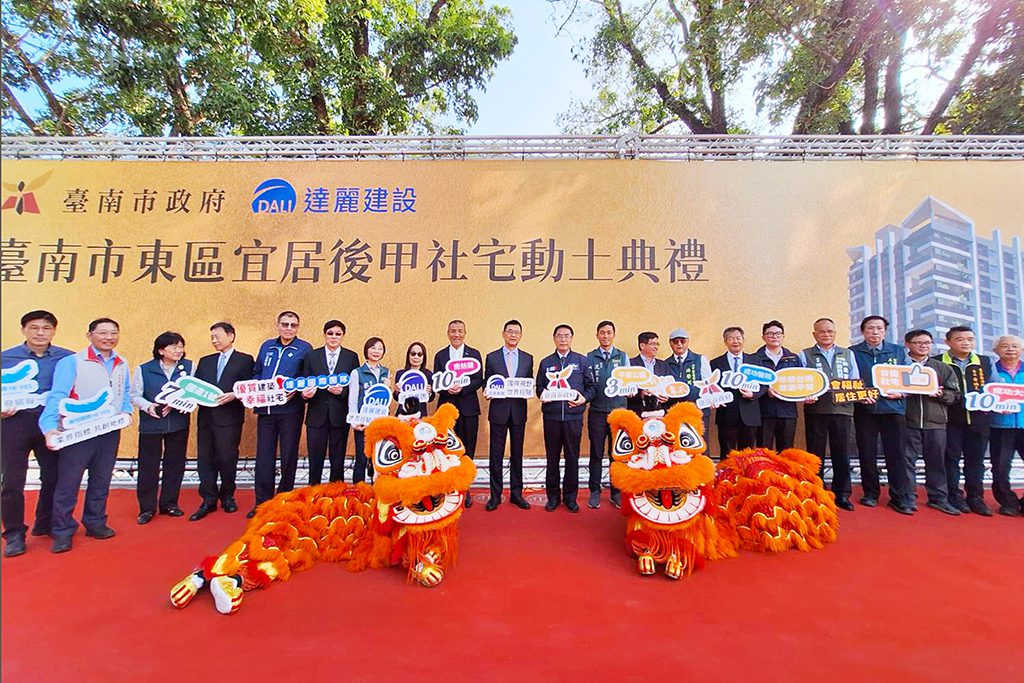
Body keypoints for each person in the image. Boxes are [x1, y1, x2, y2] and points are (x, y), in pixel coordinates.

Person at [40, 318, 132, 553]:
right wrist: (49, 427)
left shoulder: (122, 362)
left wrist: (126, 412)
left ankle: (95, 522)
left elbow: (125, 392)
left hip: (108, 432)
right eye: (103, 333)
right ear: (89, 335)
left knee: (101, 480)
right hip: (77, 433)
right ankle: (62, 531)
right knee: (68, 484)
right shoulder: (72, 362)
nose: (109, 337)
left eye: (114, 333)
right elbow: (57, 395)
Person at [1, 310, 72, 558]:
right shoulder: (5, 358)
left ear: (54, 331)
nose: (40, 333)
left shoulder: (67, 358)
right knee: (12, 481)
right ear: (23, 330)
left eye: (46, 328)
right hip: (14, 423)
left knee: (54, 476)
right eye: (34, 328)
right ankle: (14, 535)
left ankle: (46, 523)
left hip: (51, 424)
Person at [250, 311, 312, 518]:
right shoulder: (267, 346)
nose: (289, 328)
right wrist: (256, 389)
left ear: (298, 328)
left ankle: (284, 499)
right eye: (285, 324)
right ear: (278, 325)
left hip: (290, 411)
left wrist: (296, 390)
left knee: (288, 456)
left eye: (293, 325)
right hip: (266, 410)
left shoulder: (304, 348)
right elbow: (257, 372)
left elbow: (307, 377)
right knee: (264, 456)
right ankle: (262, 503)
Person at [190, 322, 254, 521]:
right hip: (206, 418)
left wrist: (234, 395)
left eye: (217, 336)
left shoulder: (244, 360)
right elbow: (195, 387)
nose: (214, 340)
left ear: (231, 336)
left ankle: (227, 496)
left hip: (229, 418)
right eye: (212, 337)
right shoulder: (205, 361)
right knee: (205, 459)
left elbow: (250, 386)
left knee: (227, 458)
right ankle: (208, 499)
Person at [850, 315, 913, 514]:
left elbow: (910, 378)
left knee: (896, 454)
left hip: (893, 409)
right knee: (866, 452)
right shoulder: (853, 352)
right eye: (870, 328)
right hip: (865, 410)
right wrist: (859, 396)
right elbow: (849, 380)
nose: (875, 332)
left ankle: (899, 497)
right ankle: (870, 493)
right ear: (863, 331)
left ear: (885, 331)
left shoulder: (898, 351)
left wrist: (902, 393)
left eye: (879, 328)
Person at [130, 331, 192, 525]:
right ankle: (147, 508)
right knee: (148, 466)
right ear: (160, 350)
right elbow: (134, 395)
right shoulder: (144, 369)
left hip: (178, 424)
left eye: (180, 346)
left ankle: (169, 503)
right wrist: (149, 406)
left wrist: (179, 402)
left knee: (175, 464)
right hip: (151, 424)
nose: (178, 350)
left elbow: (194, 392)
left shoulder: (189, 367)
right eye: (173, 346)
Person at [799, 317, 859, 511]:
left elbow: (855, 380)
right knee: (815, 455)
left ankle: (842, 494)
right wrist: (804, 395)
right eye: (821, 331)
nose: (826, 334)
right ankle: (816, 492)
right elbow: (801, 381)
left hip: (843, 410)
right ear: (814, 334)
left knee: (842, 453)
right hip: (816, 410)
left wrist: (862, 395)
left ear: (835, 333)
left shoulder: (847, 354)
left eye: (829, 331)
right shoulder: (805, 354)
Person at [535, 324, 596, 513]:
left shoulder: (581, 361)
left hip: (573, 418)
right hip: (552, 418)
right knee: (552, 458)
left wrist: (583, 398)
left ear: (571, 338)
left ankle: (570, 498)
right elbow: (539, 386)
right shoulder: (546, 362)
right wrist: (542, 394)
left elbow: (592, 387)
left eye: (566, 335)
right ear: (554, 338)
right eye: (559, 336)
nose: (563, 339)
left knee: (572, 458)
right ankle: (553, 497)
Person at [934, 326, 994, 516]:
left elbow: (995, 386)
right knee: (950, 459)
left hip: (979, 419)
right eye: (960, 339)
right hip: (950, 419)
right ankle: (954, 496)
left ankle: (976, 497)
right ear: (948, 342)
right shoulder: (937, 362)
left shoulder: (985, 362)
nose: (966, 343)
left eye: (970, 339)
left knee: (976, 460)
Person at [902, 330, 961, 515]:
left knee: (937, 462)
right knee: (906, 461)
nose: (923, 346)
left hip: (936, 422)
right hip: (907, 421)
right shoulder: (900, 366)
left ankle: (938, 498)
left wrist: (941, 394)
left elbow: (955, 395)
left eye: (927, 343)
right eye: (918, 342)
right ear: (907, 344)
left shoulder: (941, 367)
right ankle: (907, 498)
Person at [301, 320, 360, 486]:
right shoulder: (312, 356)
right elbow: (304, 382)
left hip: (339, 415)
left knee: (338, 459)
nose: (334, 337)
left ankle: (336, 492)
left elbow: (355, 387)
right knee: (315, 459)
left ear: (343, 336)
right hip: (316, 415)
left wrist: (342, 391)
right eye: (330, 333)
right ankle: (313, 491)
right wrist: (304, 395)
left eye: (338, 334)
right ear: (324, 334)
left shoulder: (351, 357)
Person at [433, 320, 484, 508]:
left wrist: (463, 389)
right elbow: (436, 382)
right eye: (453, 331)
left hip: (469, 408)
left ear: (465, 333)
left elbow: (479, 380)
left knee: (467, 449)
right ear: (448, 333)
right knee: (446, 449)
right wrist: (446, 388)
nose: (456, 334)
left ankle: (465, 488)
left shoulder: (474, 354)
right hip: (447, 409)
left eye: (460, 331)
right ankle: (448, 488)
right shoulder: (440, 356)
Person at [484, 320, 534, 511]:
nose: (513, 335)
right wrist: (487, 390)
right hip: (498, 411)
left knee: (517, 454)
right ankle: (495, 495)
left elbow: (529, 381)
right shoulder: (492, 357)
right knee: (496, 454)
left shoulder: (528, 358)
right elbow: (487, 382)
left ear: (521, 335)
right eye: (510, 331)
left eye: (517, 332)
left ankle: (517, 494)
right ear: (503, 334)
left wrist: (529, 391)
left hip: (519, 411)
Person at [585, 320, 629, 509]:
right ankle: (595, 491)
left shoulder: (623, 357)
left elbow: (630, 381)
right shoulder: (589, 357)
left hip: (618, 413)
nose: (605, 336)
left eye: (609, 332)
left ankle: (616, 492)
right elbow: (587, 383)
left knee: (616, 454)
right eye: (602, 332)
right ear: (597, 335)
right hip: (597, 411)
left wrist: (631, 389)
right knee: (596, 452)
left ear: (614, 335)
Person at [710, 327, 766, 458]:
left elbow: (765, 384)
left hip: (750, 413)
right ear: (725, 341)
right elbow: (711, 385)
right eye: (731, 338)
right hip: (726, 414)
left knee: (747, 454)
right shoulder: (716, 363)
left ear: (743, 340)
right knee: (727, 453)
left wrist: (753, 394)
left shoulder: (755, 361)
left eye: (738, 338)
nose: (735, 341)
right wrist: (715, 398)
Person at [751, 320, 803, 451]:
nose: (774, 336)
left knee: (786, 451)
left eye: (778, 334)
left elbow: (801, 381)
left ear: (783, 336)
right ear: (763, 337)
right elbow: (751, 384)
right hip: (764, 412)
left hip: (788, 412)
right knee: (764, 450)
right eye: (770, 334)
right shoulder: (754, 359)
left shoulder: (793, 358)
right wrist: (765, 390)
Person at [989, 335, 1023, 517]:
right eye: (1005, 346)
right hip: (1000, 426)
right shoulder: (989, 370)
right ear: (996, 350)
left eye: (1015, 346)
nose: (1010, 349)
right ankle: (1008, 502)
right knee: (1000, 466)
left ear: (1022, 350)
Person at [349, 337, 390, 484]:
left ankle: (377, 489)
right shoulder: (357, 372)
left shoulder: (386, 372)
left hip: (380, 423)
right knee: (361, 458)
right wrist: (354, 421)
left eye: (380, 348)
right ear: (366, 350)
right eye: (373, 348)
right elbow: (353, 398)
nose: (376, 351)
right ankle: (358, 490)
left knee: (379, 458)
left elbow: (387, 399)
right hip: (363, 423)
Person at [663, 328, 713, 440]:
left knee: (700, 442)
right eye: (675, 341)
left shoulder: (700, 359)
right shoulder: (665, 363)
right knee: (677, 443)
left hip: (698, 410)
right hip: (675, 411)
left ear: (688, 341)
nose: (679, 344)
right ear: (670, 344)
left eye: (683, 341)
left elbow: (708, 384)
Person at [627, 332, 670, 416]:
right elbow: (626, 387)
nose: (656, 347)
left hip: (660, 412)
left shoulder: (663, 365)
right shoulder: (631, 364)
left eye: (657, 344)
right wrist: (640, 393)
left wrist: (667, 397)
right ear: (642, 346)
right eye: (653, 344)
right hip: (637, 412)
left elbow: (669, 385)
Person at [394, 341, 434, 418]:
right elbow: (396, 398)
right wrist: (396, 391)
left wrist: (429, 392)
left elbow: (431, 398)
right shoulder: (400, 374)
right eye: (413, 354)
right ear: (408, 356)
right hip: (402, 415)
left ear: (423, 357)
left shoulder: (428, 374)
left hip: (420, 415)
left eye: (420, 354)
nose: (416, 357)